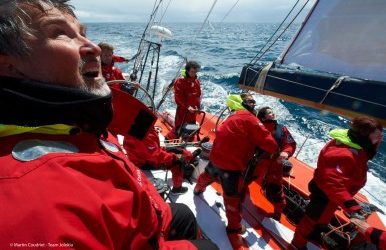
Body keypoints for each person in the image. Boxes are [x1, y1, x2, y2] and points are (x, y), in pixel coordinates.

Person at [0, 1, 218, 249]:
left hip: (147, 212)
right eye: (59, 32)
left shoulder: (87, 123)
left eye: (83, 34)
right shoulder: (36, 202)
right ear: (8, 64)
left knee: (183, 214)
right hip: (141, 234)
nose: (91, 46)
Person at [291, 116, 383, 249]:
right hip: (326, 196)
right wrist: (353, 208)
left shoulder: (352, 143)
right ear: (364, 135)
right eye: (377, 136)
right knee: (311, 220)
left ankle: (314, 235)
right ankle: (296, 244)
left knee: (322, 219)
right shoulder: (345, 153)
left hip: (334, 198)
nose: (380, 139)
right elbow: (332, 184)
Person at [194, 93, 278, 234]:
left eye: (253, 101)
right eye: (250, 102)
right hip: (231, 167)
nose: (254, 104)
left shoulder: (231, 116)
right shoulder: (250, 119)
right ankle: (234, 227)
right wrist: (276, 151)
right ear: (243, 103)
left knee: (207, 176)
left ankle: (198, 190)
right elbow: (270, 145)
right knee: (232, 197)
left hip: (216, 159)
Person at [123, 126, 193, 194]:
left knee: (175, 150)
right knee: (178, 163)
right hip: (144, 163)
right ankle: (177, 189)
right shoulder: (144, 133)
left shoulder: (133, 127)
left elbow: (150, 149)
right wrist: (176, 157)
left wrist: (172, 150)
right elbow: (156, 157)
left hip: (138, 157)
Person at [255, 107, 297, 218]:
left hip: (275, 165)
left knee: (276, 192)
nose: (273, 114)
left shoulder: (282, 129)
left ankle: (277, 214)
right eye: (269, 113)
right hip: (258, 163)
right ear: (263, 117)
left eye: (273, 112)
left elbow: (290, 144)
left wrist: (286, 153)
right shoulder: (256, 127)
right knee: (248, 182)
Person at [166, 61, 201, 139]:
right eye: (192, 72)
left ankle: (187, 139)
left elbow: (198, 96)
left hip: (192, 112)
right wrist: (187, 107)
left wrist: (198, 107)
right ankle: (167, 139)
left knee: (191, 129)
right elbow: (178, 98)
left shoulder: (196, 82)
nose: (194, 74)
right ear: (187, 71)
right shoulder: (180, 82)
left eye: (195, 72)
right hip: (182, 112)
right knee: (179, 129)